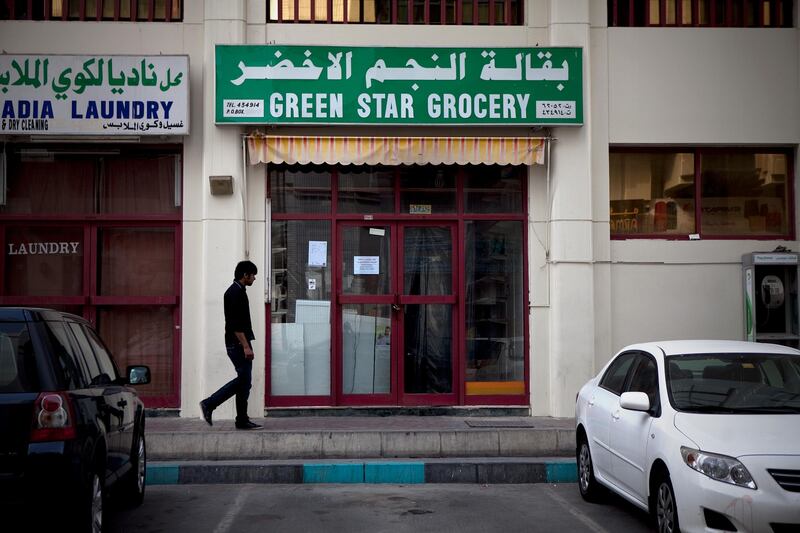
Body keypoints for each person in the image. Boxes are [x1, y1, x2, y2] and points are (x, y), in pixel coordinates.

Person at [200, 260, 261, 430]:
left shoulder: (239, 291)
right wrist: (246, 346)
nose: (254, 278)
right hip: (238, 344)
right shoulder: (234, 293)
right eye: (253, 275)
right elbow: (235, 324)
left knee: (245, 382)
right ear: (245, 275)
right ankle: (209, 403)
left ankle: (241, 419)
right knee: (243, 380)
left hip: (239, 343)